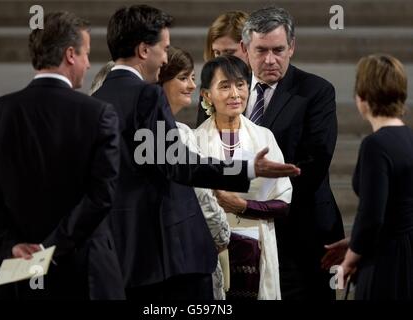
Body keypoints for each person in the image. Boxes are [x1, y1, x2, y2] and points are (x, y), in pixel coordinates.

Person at [92, 4, 300, 300]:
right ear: (143, 50)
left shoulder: (96, 101)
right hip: (170, 259)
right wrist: (248, 169)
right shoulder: (147, 95)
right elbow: (180, 165)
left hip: (122, 254)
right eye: (163, 48)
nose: (165, 57)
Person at [0, 11, 124, 299]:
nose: (89, 64)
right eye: (87, 54)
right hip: (83, 276)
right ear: (71, 54)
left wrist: (10, 246)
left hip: (15, 277)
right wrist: (48, 250)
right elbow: (101, 195)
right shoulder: (98, 114)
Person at [238, 6, 344, 300]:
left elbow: (313, 164)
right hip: (240, 234)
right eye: (261, 51)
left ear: (292, 47)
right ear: (245, 48)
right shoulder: (226, 90)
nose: (270, 60)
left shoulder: (317, 92)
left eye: (278, 50)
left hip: (302, 234)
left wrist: (252, 204)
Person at [195, 55, 292, 299]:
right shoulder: (193, 141)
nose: (235, 94)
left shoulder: (264, 137)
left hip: (256, 248)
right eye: (225, 86)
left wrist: (244, 206)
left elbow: (284, 203)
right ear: (207, 95)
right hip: (209, 248)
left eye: (240, 85)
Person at [337, 54, 412, 300]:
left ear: (362, 97)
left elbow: (371, 216)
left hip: (386, 262)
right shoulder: (409, 138)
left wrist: (349, 260)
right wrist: (354, 239)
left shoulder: (375, 145)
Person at [158, 46, 230, 299]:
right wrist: (222, 235)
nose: (191, 85)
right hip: (187, 254)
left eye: (192, 77)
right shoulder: (181, 134)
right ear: (161, 81)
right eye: (182, 77)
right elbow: (202, 197)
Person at [197, 11, 249, 125]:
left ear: (247, 47)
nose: (222, 60)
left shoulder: (262, 85)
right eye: (217, 52)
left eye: (229, 52)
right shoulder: (211, 82)